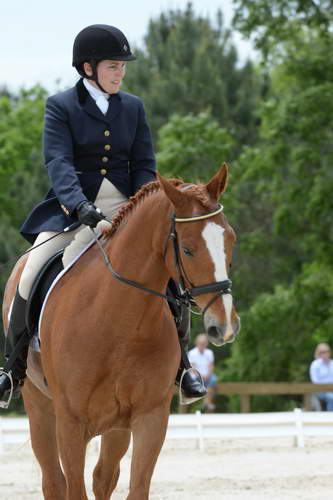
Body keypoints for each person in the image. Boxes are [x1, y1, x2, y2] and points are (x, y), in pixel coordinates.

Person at [0, 24, 206, 405]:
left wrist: (145, 204)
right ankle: (12, 368)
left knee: (173, 277)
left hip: (131, 208)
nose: (120, 73)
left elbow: (145, 163)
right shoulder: (61, 106)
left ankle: (182, 367)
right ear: (88, 68)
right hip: (74, 208)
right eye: (113, 66)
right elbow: (58, 162)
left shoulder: (133, 107)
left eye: (122, 67)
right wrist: (80, 207)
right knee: (30, 271)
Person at [188, 334, 218, 411]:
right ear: (197, 343)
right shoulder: (192, 353)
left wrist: (208, 375)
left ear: (206, 344)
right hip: (196, 376)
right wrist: (202, 376)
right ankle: (207, 403)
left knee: (213, 380)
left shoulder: (209, 352)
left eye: (204, 343)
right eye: (201, 343)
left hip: (208, 376)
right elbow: (193, 369)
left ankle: (206, 403)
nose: (202, 344)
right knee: (208, 384)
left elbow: (211, 366)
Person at [309, 343, 333, 411]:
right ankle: (330, 418)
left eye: (327, 351)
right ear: (318, 353)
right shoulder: (315, 364)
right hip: (320, 390)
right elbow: (315, 381)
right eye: (322, 352)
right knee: (331, 397)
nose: (325, 353)